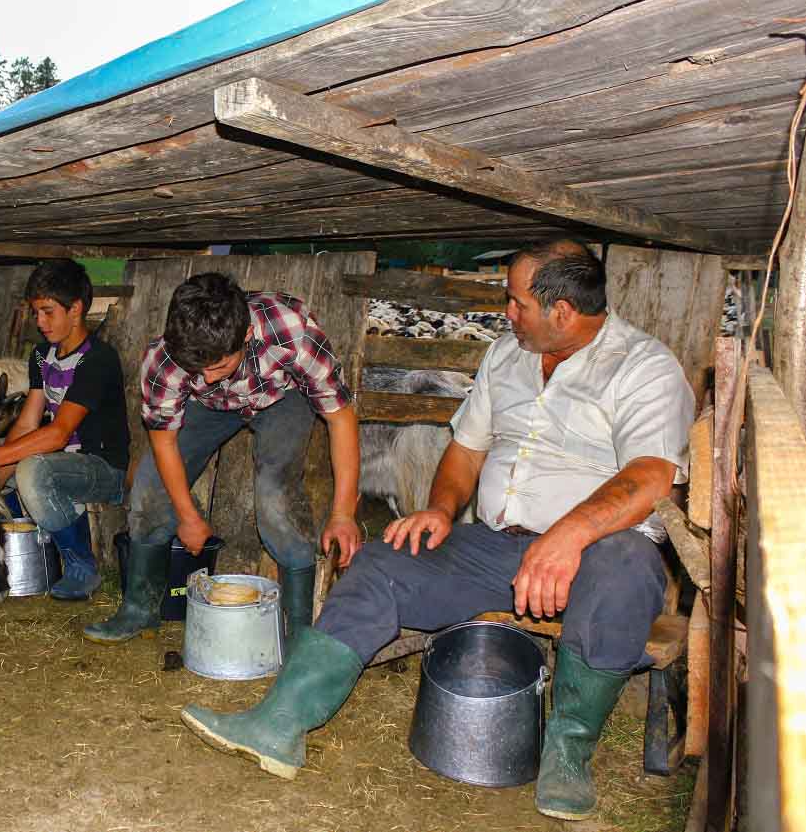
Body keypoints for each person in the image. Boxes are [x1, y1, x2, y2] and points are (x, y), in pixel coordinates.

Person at [179, 242, 694, 822]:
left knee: (624, 568)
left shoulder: (644, 367)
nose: (506, 312)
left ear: (563, 312)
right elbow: (466, 452)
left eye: (516, 302)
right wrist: (442, 510)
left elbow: (652, 475)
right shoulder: (508, 356)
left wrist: (569, 536)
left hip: (602, 553)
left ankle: (567, 754)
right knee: (384, 560)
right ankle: (281, 722)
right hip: (499, 546)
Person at [83, 272, 361, 645]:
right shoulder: (165, 358)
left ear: (245, 336)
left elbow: (340, 416)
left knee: (275, 495)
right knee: (149, 488)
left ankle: (299, 629)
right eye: (197, 368)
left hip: (283, 397)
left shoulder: (292, 331)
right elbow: (164, 443)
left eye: (217, 365)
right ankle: (140, 608)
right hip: (207, 407)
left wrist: (343, 514)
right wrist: (188, 517)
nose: (207, 375)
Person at [0, 260, 131, 601]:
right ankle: (14, 552)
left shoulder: (97, 359)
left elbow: (57, 433)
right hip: (59, 461)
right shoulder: (42, 355)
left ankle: (81, 565)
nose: (40, 323)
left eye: (47, 312)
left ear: (76, 309)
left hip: (102, 468)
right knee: (6, 453)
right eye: (35, 313)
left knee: (29, 467)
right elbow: (27, 422)